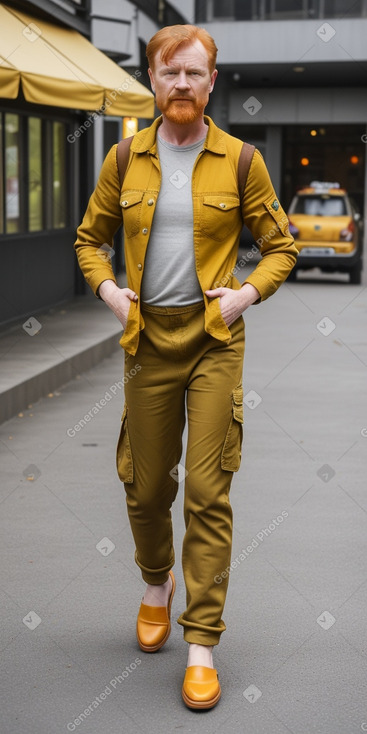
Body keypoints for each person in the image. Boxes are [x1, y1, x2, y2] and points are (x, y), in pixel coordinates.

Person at [74, 24, 298, 710]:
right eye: (170, 73)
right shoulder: (122, 159)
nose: (181, 85)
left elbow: (280, 246)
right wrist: (111, 293)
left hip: (211, 342)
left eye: (194, 74)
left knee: (207, 490)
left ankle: (201, 641)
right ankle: (154, 579)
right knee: (144, 487)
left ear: (211, 82)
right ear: (152, 79)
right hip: (146, 343)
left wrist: (245, 295)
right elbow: (90, 240)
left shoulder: (240, 160)